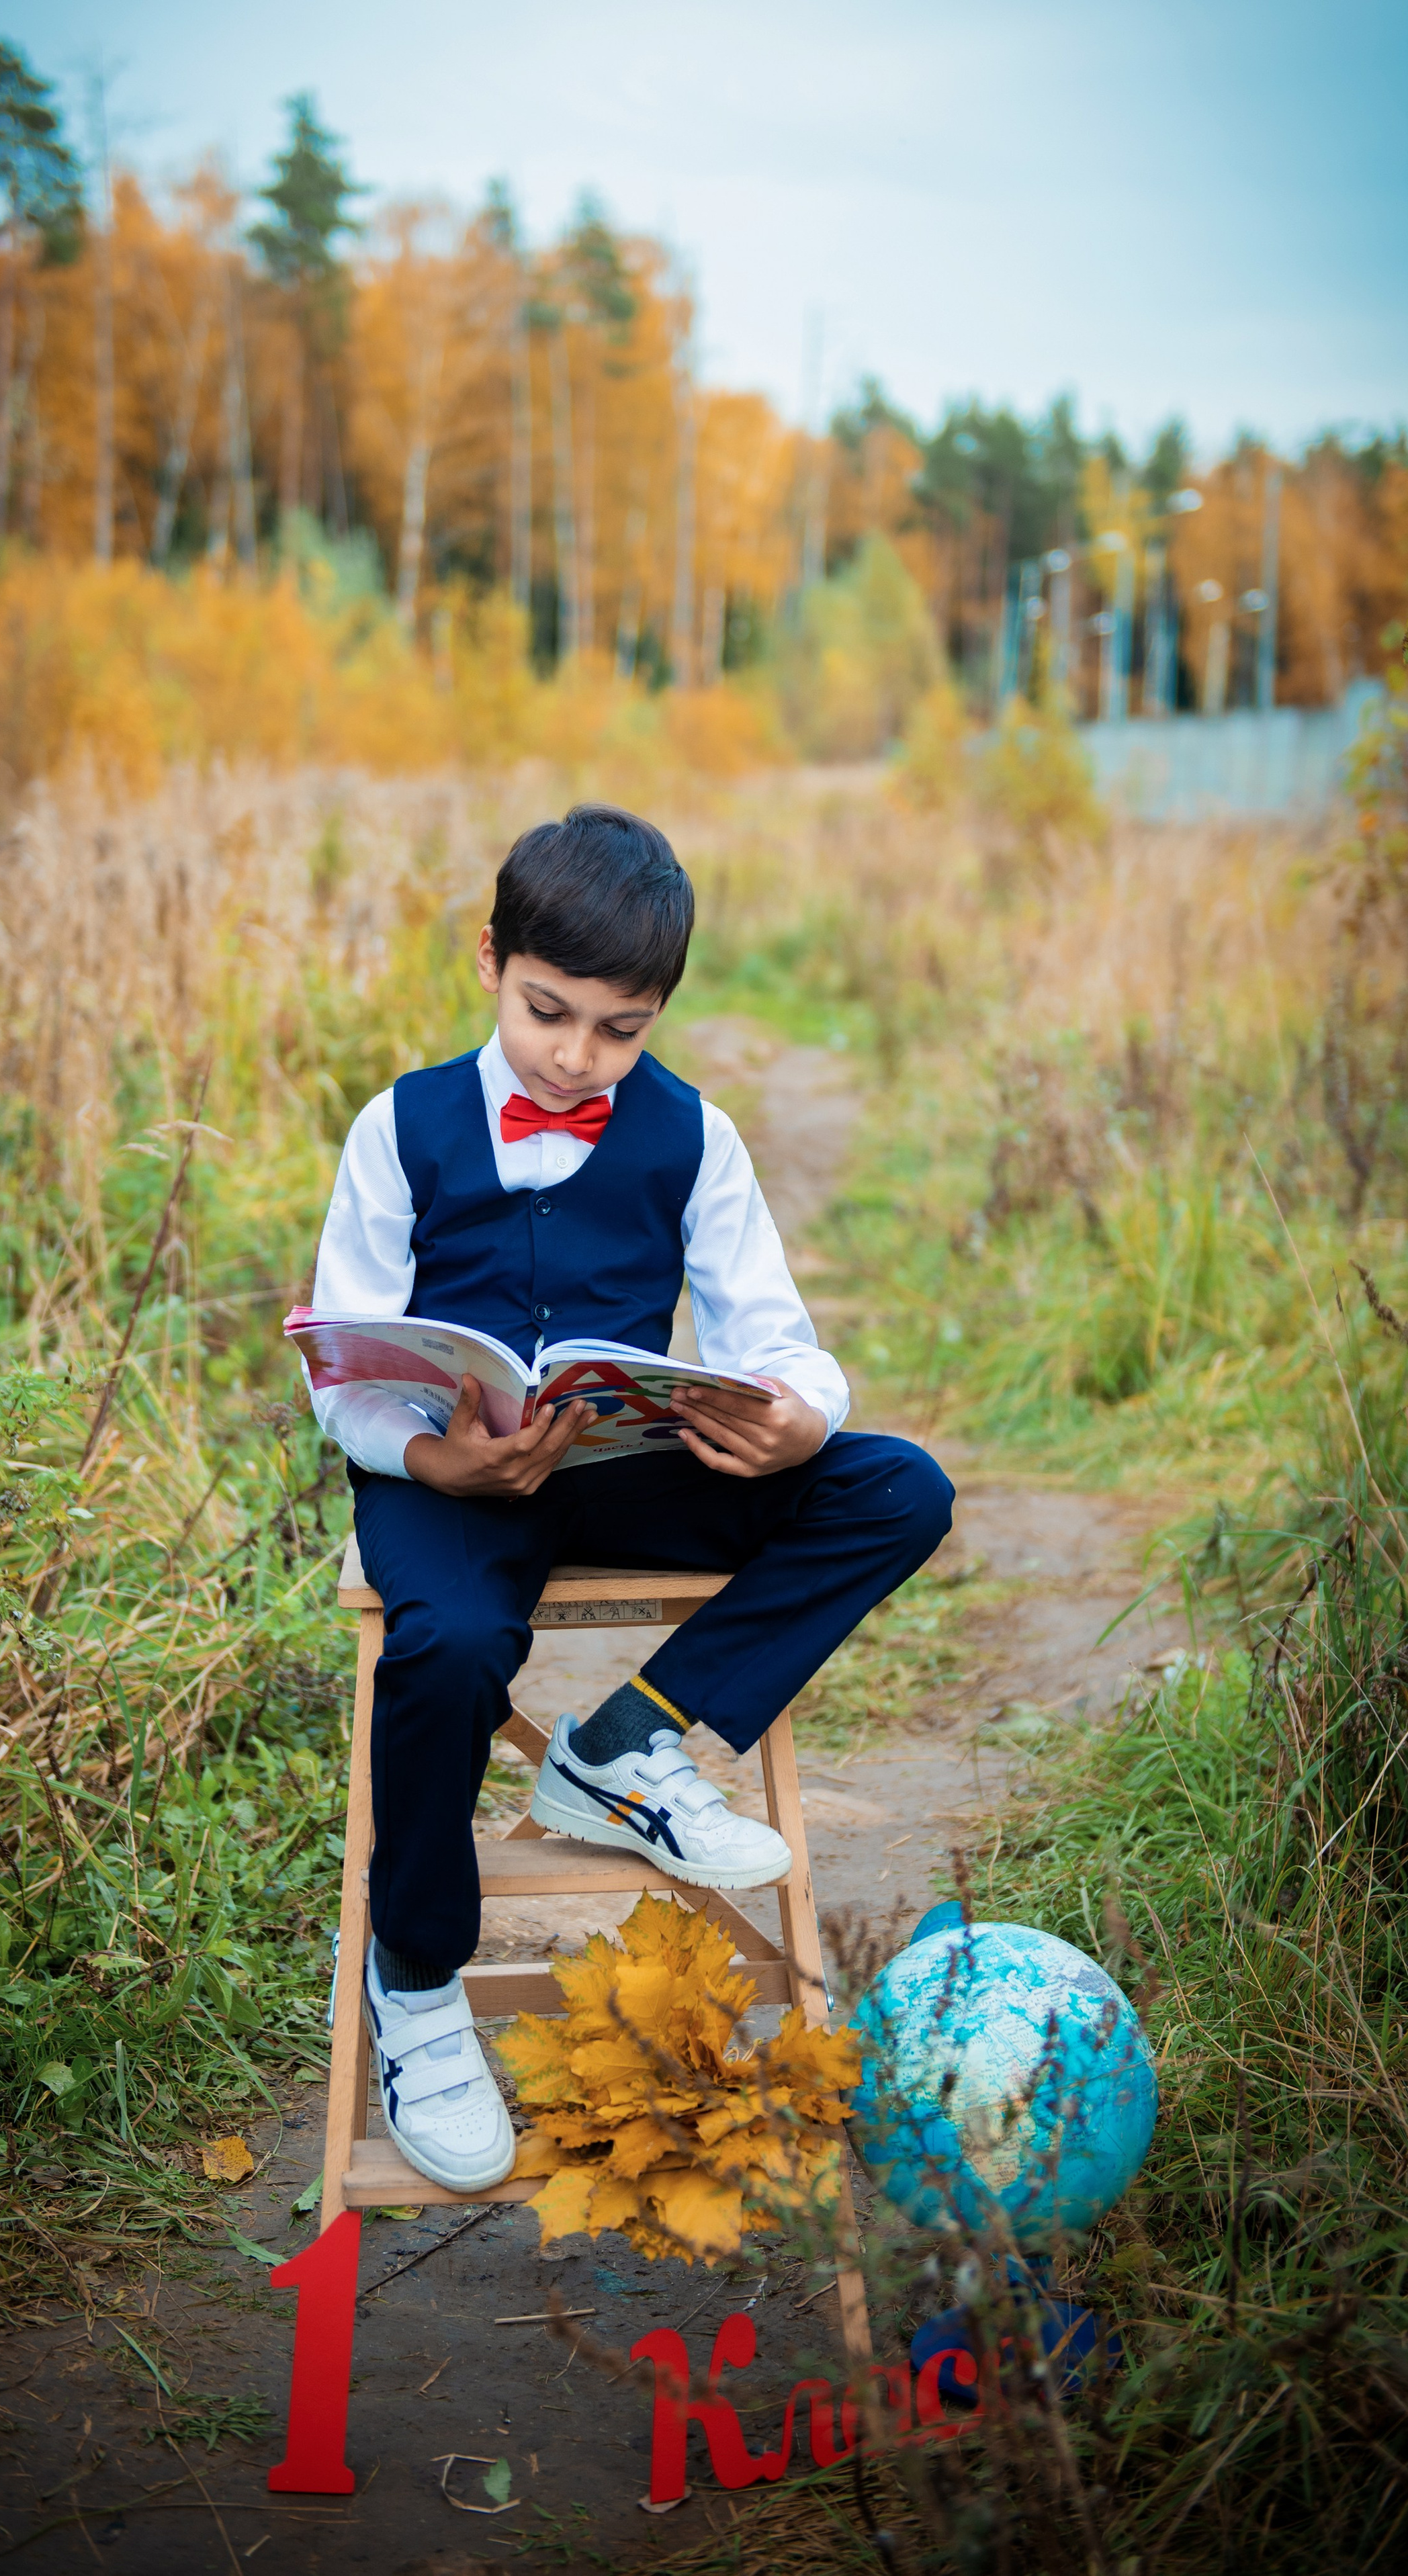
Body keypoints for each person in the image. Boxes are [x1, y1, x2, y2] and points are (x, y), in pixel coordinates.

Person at [304, 803, 955, 2190]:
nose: (575, 1053)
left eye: (619, 1030)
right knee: (453, 1644)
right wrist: (433, 1456)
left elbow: (778, 1337)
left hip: (618, 1469)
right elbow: (345, 1366)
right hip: (455, 1479)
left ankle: (624, 1746)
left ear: (656, 1017)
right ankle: (415, 1982)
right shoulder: (398, 1125)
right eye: (548, 1013)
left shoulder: (688, 1136)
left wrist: (790, 1420)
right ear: (490, 958)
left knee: (894, 1486)